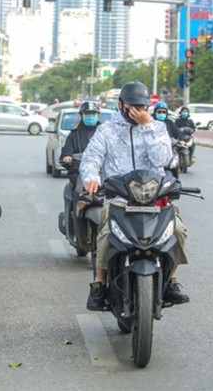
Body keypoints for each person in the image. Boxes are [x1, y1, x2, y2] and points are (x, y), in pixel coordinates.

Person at [79, 81, 189, 311]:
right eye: (133, 107)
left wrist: (147, 127)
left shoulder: (158, 128)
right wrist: (91, 177)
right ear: (121, 105)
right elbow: (92, 158)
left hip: (154, 199)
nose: (138, 112)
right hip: (119, 197)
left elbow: (162, 160)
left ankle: (171, 281)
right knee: (107, 233)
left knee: (177, 230)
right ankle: (99, 284)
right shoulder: (106, 130)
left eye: (143, 107)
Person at [60, 102, 102, 186]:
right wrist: (67, 156)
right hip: (79, 173)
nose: (90, 116)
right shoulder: (74, 134)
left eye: (93, 113)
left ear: (98, 115)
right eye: (87, 113)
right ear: (82, 115)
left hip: (102, 171)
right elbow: (67, 148)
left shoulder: (105, 133)